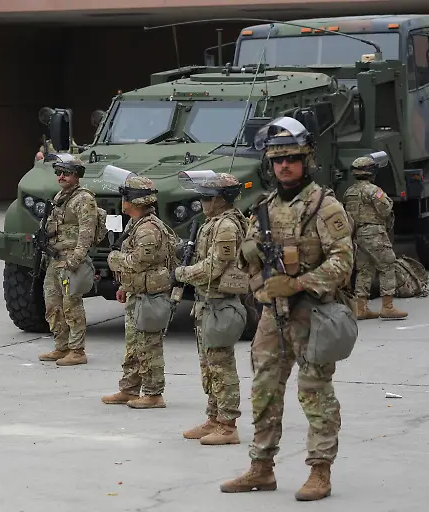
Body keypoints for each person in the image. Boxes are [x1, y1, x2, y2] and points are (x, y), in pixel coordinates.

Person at [222, 119, 353, 501]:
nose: (285, 166)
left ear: (306, 160)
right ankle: (261, 467)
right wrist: (256, 273)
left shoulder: (323, 206)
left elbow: (343, 263)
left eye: (293, 159)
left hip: (312, 314)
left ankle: (320, 471)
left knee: (315, 392)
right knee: (263, 389)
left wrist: (298, 283)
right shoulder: (262, 207)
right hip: (271, 315)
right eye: (278, 160)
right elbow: (248, 255)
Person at [175, 173, 248, 444]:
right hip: (207, 303)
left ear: (221, 200)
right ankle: (214, 417)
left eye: (207, 197)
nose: (203, 202)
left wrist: (182, 273)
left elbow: (214, 267)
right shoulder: (212, 223)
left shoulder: (227, 226)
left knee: (221, 365)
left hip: (221, 304)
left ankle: (228, 425)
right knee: (209, 365)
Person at [101, 176, 177, 409]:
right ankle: (129, 388)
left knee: (149, 346)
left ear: (134, 200)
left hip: (151, 296)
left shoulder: (147, 229)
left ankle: (154, 394)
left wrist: (114, 260)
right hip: (139, 293)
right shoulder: (136, 223)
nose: (122, 200)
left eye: (126, 196)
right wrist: (125, 286)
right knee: (134, 345)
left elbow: (139, 261)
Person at [38, 157, 98, 366]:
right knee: (53, 304)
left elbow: (86, 232)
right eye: (58, 172)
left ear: (77, 175)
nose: (61, 176)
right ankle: (61, 346)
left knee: (72, 305)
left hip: (71, 260)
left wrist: (75, 260)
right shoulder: (61, 197)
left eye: (67, 172)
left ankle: (77, 350)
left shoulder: (83, 199)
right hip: (55, 259)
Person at [343, 155, 407, 320]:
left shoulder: (348, 192)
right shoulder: (373, 190)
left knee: (365, 269)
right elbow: (385, 209)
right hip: (374, 233)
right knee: (387, 264)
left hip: (358, 235)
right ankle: (387, 306)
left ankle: (361, 308)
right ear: (371, 172)